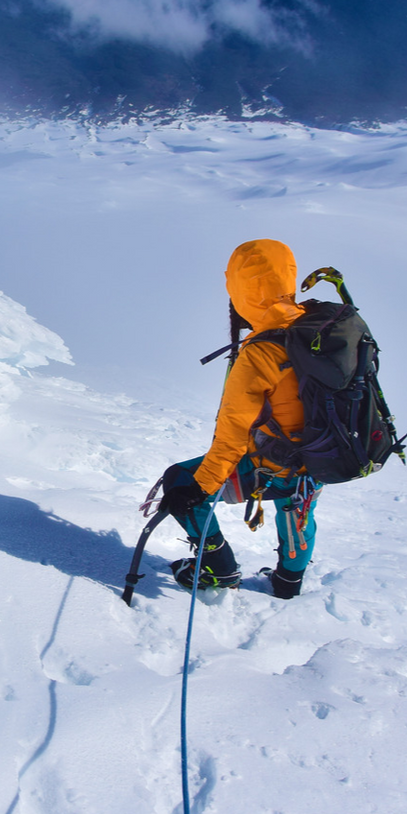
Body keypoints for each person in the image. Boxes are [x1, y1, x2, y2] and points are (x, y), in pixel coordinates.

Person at [161, 239, 321, 599]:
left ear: (240, 288)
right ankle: (288, 582)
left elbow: (231, 439)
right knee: (296, 507)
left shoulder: (261, 351)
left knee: (179, 480)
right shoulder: (318, 330)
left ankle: (219, 570)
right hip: (321, 457)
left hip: (273, 465)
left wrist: (197, 490)